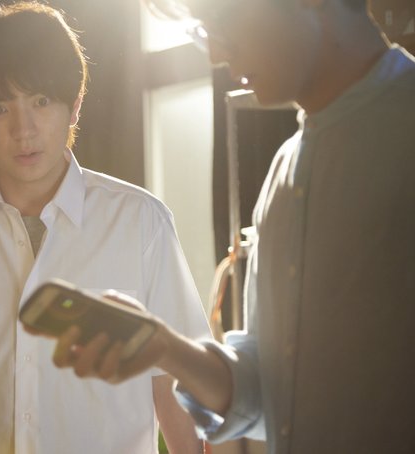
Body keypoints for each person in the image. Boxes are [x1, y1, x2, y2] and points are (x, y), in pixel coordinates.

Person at [49, 0, 415, 452]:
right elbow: (269, 394)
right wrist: (164, 347)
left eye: (223, 24)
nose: (216, 55)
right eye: (204, 33)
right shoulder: (285, 172)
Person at [0, 2, 211, 453]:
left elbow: (171, 379)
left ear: (74, 107)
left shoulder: (141, 221)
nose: (23, 130)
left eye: (41, 102)